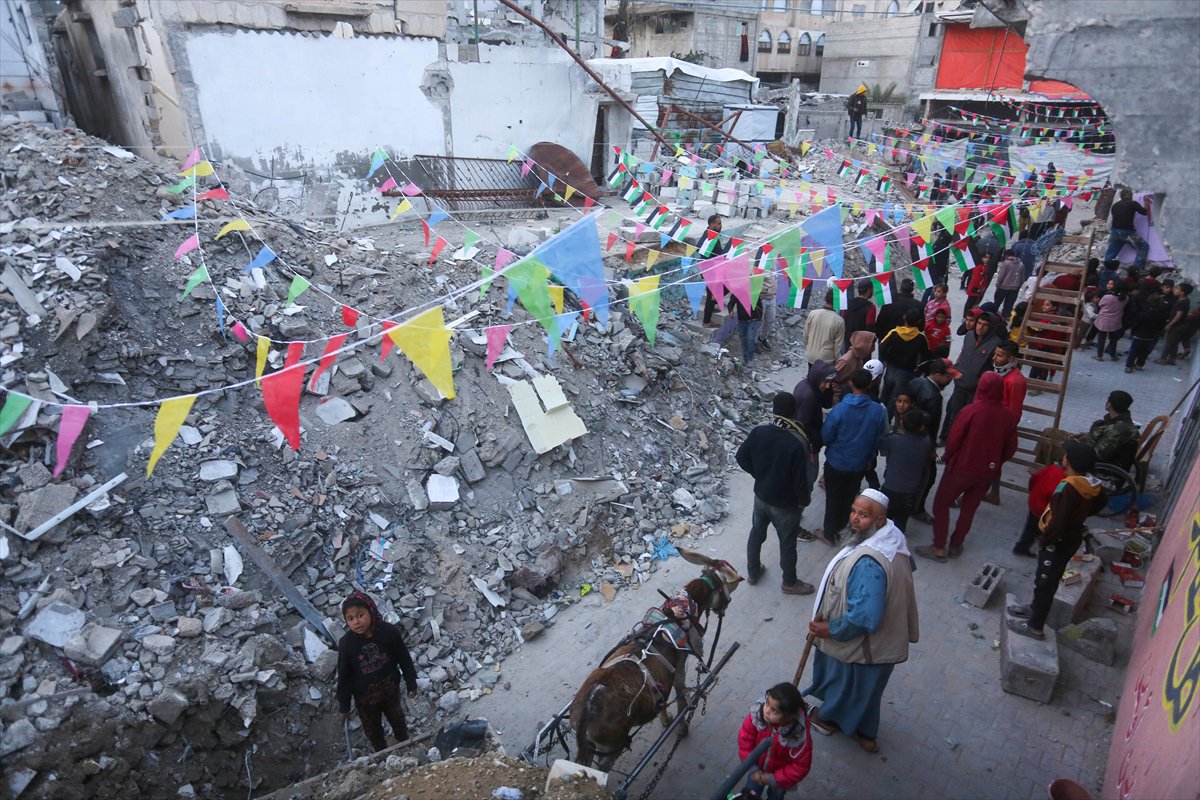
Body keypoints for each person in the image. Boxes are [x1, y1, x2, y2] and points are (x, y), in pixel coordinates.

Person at [805, 490, 919, 754]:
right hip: (885, 642)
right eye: (854, 511)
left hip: (866, 644)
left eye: (863, 515)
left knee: (846, 685)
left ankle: (828, 720)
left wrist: (830, 628)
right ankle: (866, 735)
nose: (855, 519)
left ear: (880, 520)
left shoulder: (869, 562)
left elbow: (864, 617)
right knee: (868, 692)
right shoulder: (893, 538)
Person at [1007, 441, 1107, 640]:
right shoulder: (1092, 485)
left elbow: (1057, 521)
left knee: (1045, 582)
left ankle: (1035, 627)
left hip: (1058, 541)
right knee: (1048, 580)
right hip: (1072, 537)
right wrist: (1080, 517)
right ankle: (1034, 609)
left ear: (1067, 460)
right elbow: (1102, 501)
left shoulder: (1067, 487)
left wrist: (1046, 541)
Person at [916, 372, 1018, 562]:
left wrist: (946, 456)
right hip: (987, 472)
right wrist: (996, 460)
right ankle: (956, 544)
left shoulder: (971, 411)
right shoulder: (1008, 417)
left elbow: (954, 440)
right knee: (969, 509)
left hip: (961, 469)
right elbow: (1011, 448)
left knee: (941, 504)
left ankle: (939, 546)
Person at [736, 392, 816, 595]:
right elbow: (800, 481)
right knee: (787, 543)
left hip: (761, 497)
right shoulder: (796, 442)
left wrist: (760, 475)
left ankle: (753, 572)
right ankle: (789, 582)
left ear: (774, 410)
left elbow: (741, 457)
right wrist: (803, 501)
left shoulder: (759, 432)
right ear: (794, 412)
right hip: (785, 505)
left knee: (756, 533)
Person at [336, 591, 419, 752]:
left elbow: (404, 658)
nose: (356, 622)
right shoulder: (346, 644)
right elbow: (344, 677)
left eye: (360, 615)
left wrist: (411, 683)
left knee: (397, 718)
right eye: (350, 618)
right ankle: (381, 753)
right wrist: (344, 707)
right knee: (372, 729)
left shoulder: (388, 632)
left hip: (390, 690)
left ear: (371, 611)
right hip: (365, 698)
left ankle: (404, 744)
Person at [817, 370, 888, 547]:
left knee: (833, 498)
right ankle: (844, 528)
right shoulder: (877, 411)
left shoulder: (840, 409)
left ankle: (829, 533)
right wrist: (869, 457)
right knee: (849, 497)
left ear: (850, 383)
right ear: (870, 385)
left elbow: (826, 436)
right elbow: (878, 438)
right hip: (858, 464)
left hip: (836, 462)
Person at [737, 683, 813, 800]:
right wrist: (752, 769)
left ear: (789, 717)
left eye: (774, 711)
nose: (767, 711)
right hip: (756, 770)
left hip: (780, 779)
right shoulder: (757, 716)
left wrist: (773, 779)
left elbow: (800, 767)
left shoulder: (798, 734)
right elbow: (745, 743)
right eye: (767, 703)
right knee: (750, 795)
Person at [907, 358, 959, 525]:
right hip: (922, 442)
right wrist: (931, 448)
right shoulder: (934, 396)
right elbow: (932, 426)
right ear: (937, 375)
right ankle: (916, 508)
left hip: (908, 437)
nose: (950, 380)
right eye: (947, 376)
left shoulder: (917, 382)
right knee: (928, 477)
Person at [940, 310, 999, 441]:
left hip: (976, 391)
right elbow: (963, 356)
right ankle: (946, 439)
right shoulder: (969, 336)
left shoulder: (995, 344)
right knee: (953, 414)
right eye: (979, 323)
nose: (980, 327)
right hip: (960, 385)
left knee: (968, 420)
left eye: (985, 325)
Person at [879, 409, 932, 533]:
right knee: (901, 522)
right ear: (921, 427)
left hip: (890, 488)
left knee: (883, 519)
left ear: (902, 423)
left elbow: (879, 443)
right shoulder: (926, 443)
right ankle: (897, 544)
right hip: (910, 492)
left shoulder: (894, 440)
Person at [793, 360, 837, 505]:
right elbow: (803, 425)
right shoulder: (809, 396)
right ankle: (798, 509)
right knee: (808, 478)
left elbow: (826, 403)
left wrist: (828, 388)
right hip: (808, 447)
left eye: (829, 382)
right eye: (824, 382)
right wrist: (819, 441)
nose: (827, 386)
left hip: (805, 442)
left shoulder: (807, 385)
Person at [1012, 460, 1066, 557]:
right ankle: (1021, 548)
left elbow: (1034, 478)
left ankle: (1024, 545)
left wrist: (1032, 491)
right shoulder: (1064, 481)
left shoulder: (1053, 468)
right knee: (1034, 529)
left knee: (1031, 525)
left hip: (1035, 501)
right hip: (1042, 509)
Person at [878, 309, 929, 410]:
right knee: (897, 400)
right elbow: (925, 357)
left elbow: (882, 346)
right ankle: (888, 420)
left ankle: (880, 417)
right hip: (907, 372)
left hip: (891, 369)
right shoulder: (921, 338)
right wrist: (918, 372)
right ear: (919, 321)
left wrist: (886, 360)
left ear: (904, 317)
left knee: (885, 394)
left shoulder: (894, 333)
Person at [1083, 390, 1140, 472]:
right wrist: (1085, 435)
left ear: (1109, 404)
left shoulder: (1117, 430)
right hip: (1107, 456)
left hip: (1098, 462)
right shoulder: (1123, 422)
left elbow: (1098, 454)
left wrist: (1089, 437)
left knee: (1064, 445)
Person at [1125, 286, 1169, 372]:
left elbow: (1135, 324)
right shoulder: (1161, 316)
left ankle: (1129, 366)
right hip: (1150, 337)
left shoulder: (1143, 314)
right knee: (1144, 353)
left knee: (1133, 352)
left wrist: (1133, 333)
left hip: (1139, 335)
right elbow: (1161, 326)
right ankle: (1139, 364)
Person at [1103, 188, 1150, 268]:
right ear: (1129, 195)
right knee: (1143, 246)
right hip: (1127, 232)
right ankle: (1136, 269)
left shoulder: (1115, 205)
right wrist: (1146, 203)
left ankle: (1106, 269)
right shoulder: (1133, 204)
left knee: (1111, 252)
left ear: (1121, 196)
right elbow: (1145, 212)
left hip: (1114, 232)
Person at [699, 215, 730, 327]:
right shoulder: (710, 237)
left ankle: (715, 300)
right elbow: (712, 254)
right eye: (718, 223)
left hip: (712, 269)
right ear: (711, 225)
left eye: (721, 223)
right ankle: (707, 321)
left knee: (724, 287)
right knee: (712, 295)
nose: (720, 226)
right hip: (711, 271)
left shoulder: (712, 235)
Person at [831, 331, 876, 404]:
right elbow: (831, 379)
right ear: (863, 345)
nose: (873, 348)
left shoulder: (859, 358)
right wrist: (840, 393)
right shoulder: (846, 361)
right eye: (872, 345)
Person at [804, 289, 845, 365]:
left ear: (825, 299)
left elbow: (805, 335)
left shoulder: (813, 314)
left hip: (811, 356)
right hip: (827, 359)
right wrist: (836, 360)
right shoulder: (839, 321)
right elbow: (837, 345)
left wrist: (808, 349)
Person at [1156, 282, 1193, 366]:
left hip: (1177, 326)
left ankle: (1163, 358)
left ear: (1182, 292)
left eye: (1177, 289)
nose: (1175, 290)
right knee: (1174, 343)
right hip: (1181, 325)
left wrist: (1170, 324)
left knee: (1169, 343)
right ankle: (1172, 359)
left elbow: (1178, 315)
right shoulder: (1185, 299)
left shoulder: (1181, 302)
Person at [992, 340, 1027, 419]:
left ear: (1010, 358)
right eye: (995, 354)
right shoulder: (996, 371)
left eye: (999, 356)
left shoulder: (1015, 381)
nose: (994, 358)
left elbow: (1014, 411)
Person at [1093, 286, 1126, 361]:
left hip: (1104, 320)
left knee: (1101, 339)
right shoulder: (1124, 299)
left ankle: (1099, 355)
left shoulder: (1107, 297)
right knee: (1113, 340)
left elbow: (1100, 304)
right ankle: (1113, 355)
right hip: (1116, 321)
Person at [842, 280, 876, 349]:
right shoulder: (870, 307)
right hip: (863, 346)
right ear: (869, 290)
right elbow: (870, 327)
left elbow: (843, 320)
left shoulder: (848, 304)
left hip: (848, 343)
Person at [992, 249, 1024, 318]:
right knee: (1008, 306)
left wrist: (998, 284)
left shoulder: (1006, 263)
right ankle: (1005, 318)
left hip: (1003, 287)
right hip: (1014, 288)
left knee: (997, 303)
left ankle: (993, 316)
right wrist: (1018, 287)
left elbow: (1001, 276)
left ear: (1006, 255)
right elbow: (1022, 278)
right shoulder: (1021, 264)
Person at [757, 261, 779, 353]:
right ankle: (754, 341)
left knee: (770, 319)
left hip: (772, 297)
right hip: (763, 298)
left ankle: (763, 338)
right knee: (759, 320)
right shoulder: (761, 264)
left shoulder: (775, 264)